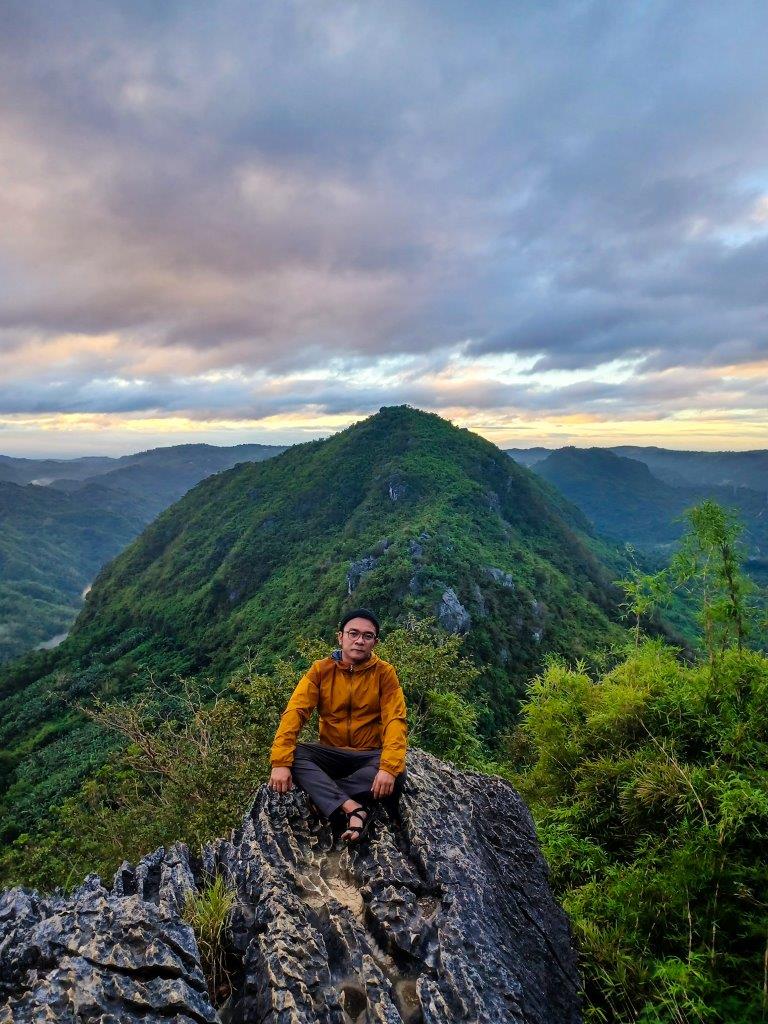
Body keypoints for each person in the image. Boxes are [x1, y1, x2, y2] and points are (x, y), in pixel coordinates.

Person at [269, 608, 407, 842]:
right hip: (331, 754)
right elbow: (296, 712)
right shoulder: (320, 670)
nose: (359, 640)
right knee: (296, 755)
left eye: (367, 636)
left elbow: (395, 719)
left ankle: (324, 796)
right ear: (340, 637)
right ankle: (353, 806)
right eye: (353, 633)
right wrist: (280, 762)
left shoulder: (384, 673)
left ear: (375, 642)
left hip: (368, 755)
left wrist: (387, 769)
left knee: (396, 770)